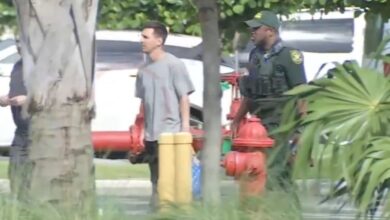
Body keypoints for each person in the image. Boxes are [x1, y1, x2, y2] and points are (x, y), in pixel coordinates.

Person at [231, 11, 307, 191]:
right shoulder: (255, 55)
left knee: (278, 172)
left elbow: (302, 94)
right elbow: (251, 92)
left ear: (271, 31)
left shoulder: (290, 56)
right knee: (258, 171)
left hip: (282, 123)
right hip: (258, 123)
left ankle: (288, 213)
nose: (252, 32)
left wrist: (302, 130)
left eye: (256, 28)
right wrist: (236, 120)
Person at [135, 21, 195, 209]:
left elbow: (184, 97)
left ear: (159, 40)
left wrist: (185, 130)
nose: (141, 40)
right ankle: (157, 212)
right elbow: (143, 102)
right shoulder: (143, 70)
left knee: (172, 182)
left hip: (171, 134)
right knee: (156, 181)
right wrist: (140, 131)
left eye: (146, 37)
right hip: (151, 136)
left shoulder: (174, 65)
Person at [0, 40, 29, 199]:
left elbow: (56, 95)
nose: (19, 45)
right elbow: (14, 90)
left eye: (22, 42)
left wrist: (29, 100)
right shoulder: (18, 65)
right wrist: (5, 99)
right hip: (21, 130)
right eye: (17, 42)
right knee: (16, 173)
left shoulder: (43, 67)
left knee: (34, 179)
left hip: (40, 130)